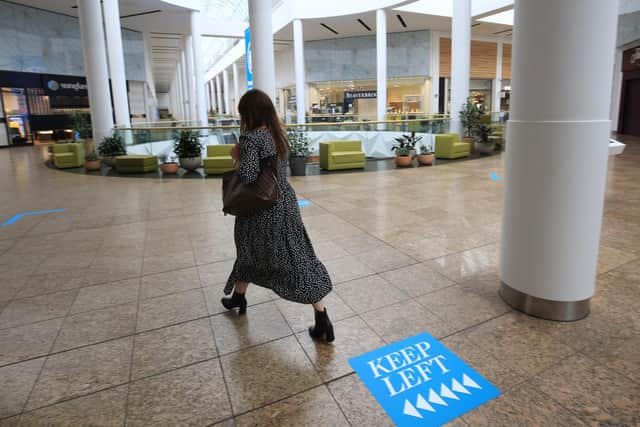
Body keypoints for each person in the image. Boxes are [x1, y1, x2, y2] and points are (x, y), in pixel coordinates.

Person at [221, 89, 334, 343]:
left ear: (249, 113)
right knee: (296, 257)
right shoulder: (277, 135)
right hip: (285, 203)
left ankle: (321, 318)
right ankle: (320, 317)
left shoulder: (251, 139)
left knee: (251, 250)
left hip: (260, 210)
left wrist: (236, 156)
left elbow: (249, 177)